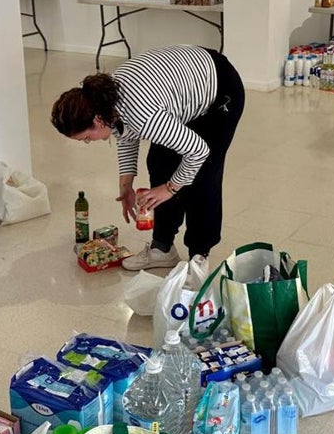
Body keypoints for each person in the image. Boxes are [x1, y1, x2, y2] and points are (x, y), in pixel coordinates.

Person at [50, 45, 244, 271]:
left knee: (202, 175)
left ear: (97, 120)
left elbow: (198, 151)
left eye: (85, 137)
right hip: (181, 89)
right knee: (159, 161)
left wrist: (169, 189)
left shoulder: (144, 115)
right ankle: (162, 248)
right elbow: (124, 132)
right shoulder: (104, 100)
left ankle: (199, 256)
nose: (87, 142)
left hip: (220, 90)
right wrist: (126, 185)